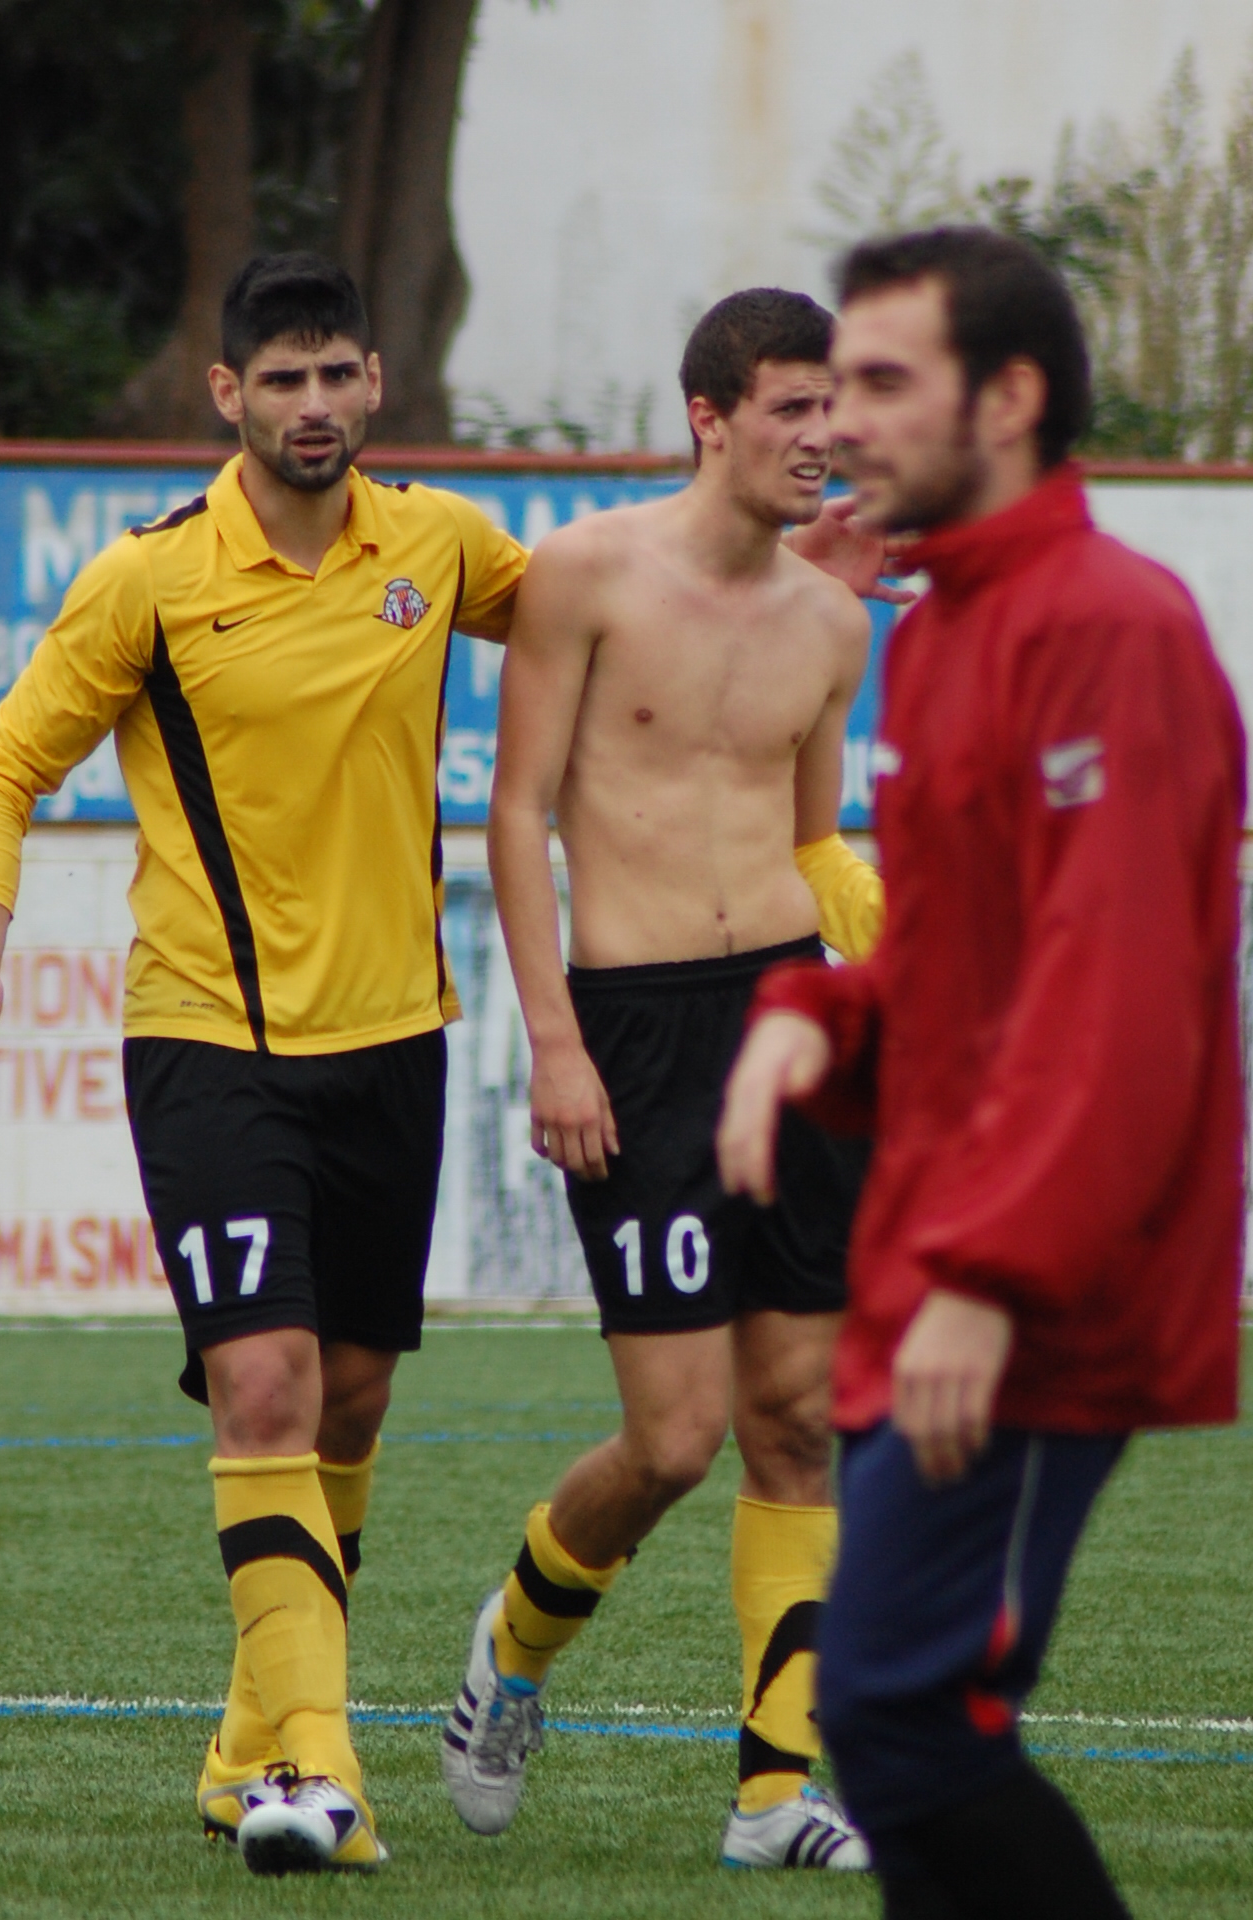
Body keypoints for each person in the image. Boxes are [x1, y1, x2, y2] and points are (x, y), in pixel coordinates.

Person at [0, 252, 528, 1877]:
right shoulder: (153, 579)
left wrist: (773, 557)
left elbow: (615, 618)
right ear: (228, 394)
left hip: (398, 1042)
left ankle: (247, 1742)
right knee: (267, 1383)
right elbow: (3, 760)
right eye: (284, 377)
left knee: (358, 1401)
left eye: (340, 374)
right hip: (207, 1040)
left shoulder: (443, 547)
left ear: (376, 386)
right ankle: (317, 1774)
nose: (314, 405)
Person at [717, 228, 1244, 1920]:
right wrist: (816, 1022)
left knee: (900, 1716)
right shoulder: (935, 631)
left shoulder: (1115, 629)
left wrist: (993, 1278)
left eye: (883, 381)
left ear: (1008, 398)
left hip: (1032, 1293)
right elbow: (958, 967)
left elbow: (1123, 1005)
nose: (843, 421)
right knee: (894, 1730)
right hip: (937, 1264)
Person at [442, 288, 899, 1870]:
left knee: (798, 1422)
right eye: (791, 409)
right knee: (676, 1438)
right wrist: (555, 1037)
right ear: (710, 416)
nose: (822, 439)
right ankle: (512, 1645)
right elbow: (514, 817)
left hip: (788, 1023)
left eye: (833, 411)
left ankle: (776, 1793)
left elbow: (817, 843)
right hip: (632, 1030)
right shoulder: (581, 574)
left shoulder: (837, 622)